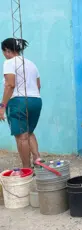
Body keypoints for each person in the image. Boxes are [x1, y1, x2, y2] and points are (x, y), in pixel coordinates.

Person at [1, 38, 42, 168]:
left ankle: (26, 169)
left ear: (7, 50)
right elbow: (38, 85)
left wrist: (2, 106)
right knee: (29, 132)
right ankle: (37, 159)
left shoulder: (9, 62)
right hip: (35, 100)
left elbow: (10, 85)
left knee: (21, 137)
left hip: (18, 101)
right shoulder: (31, 63)